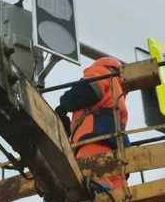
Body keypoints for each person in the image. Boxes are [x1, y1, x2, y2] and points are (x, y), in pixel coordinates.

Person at [54, 57, 131, 192]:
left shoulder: (101, 72)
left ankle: (101, 186)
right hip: (118, 141)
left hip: (95, 133)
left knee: (88, 164)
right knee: (117, 175)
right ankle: (121, 193)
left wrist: (64, 104)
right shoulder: (119, 93)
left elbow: (89, 90)